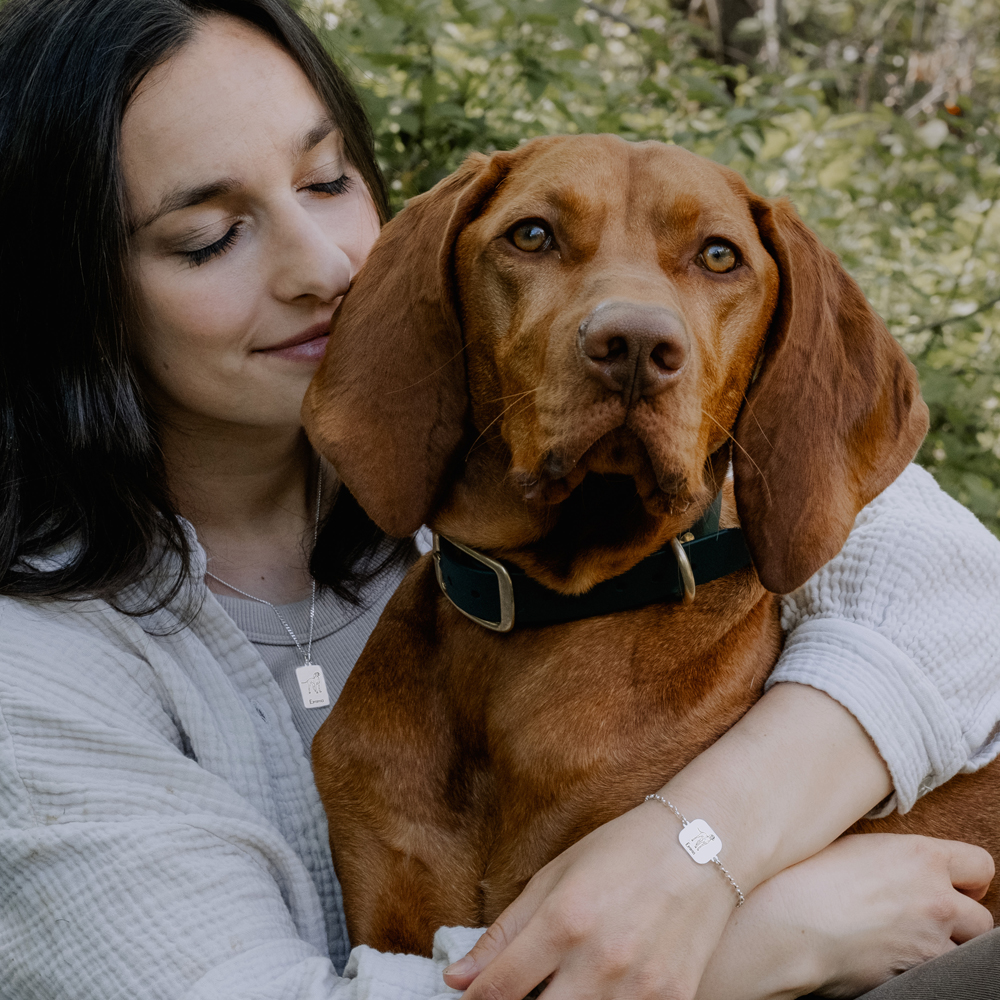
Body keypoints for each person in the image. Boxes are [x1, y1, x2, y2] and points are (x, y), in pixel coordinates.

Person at [0, 1, 998, 998]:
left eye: (326, 180)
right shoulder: (37, 673)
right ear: (70, 294)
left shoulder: (488, 444)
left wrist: (701, 843)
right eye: (207, 236)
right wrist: (745, 945)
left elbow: (954, 581)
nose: (323, 266)